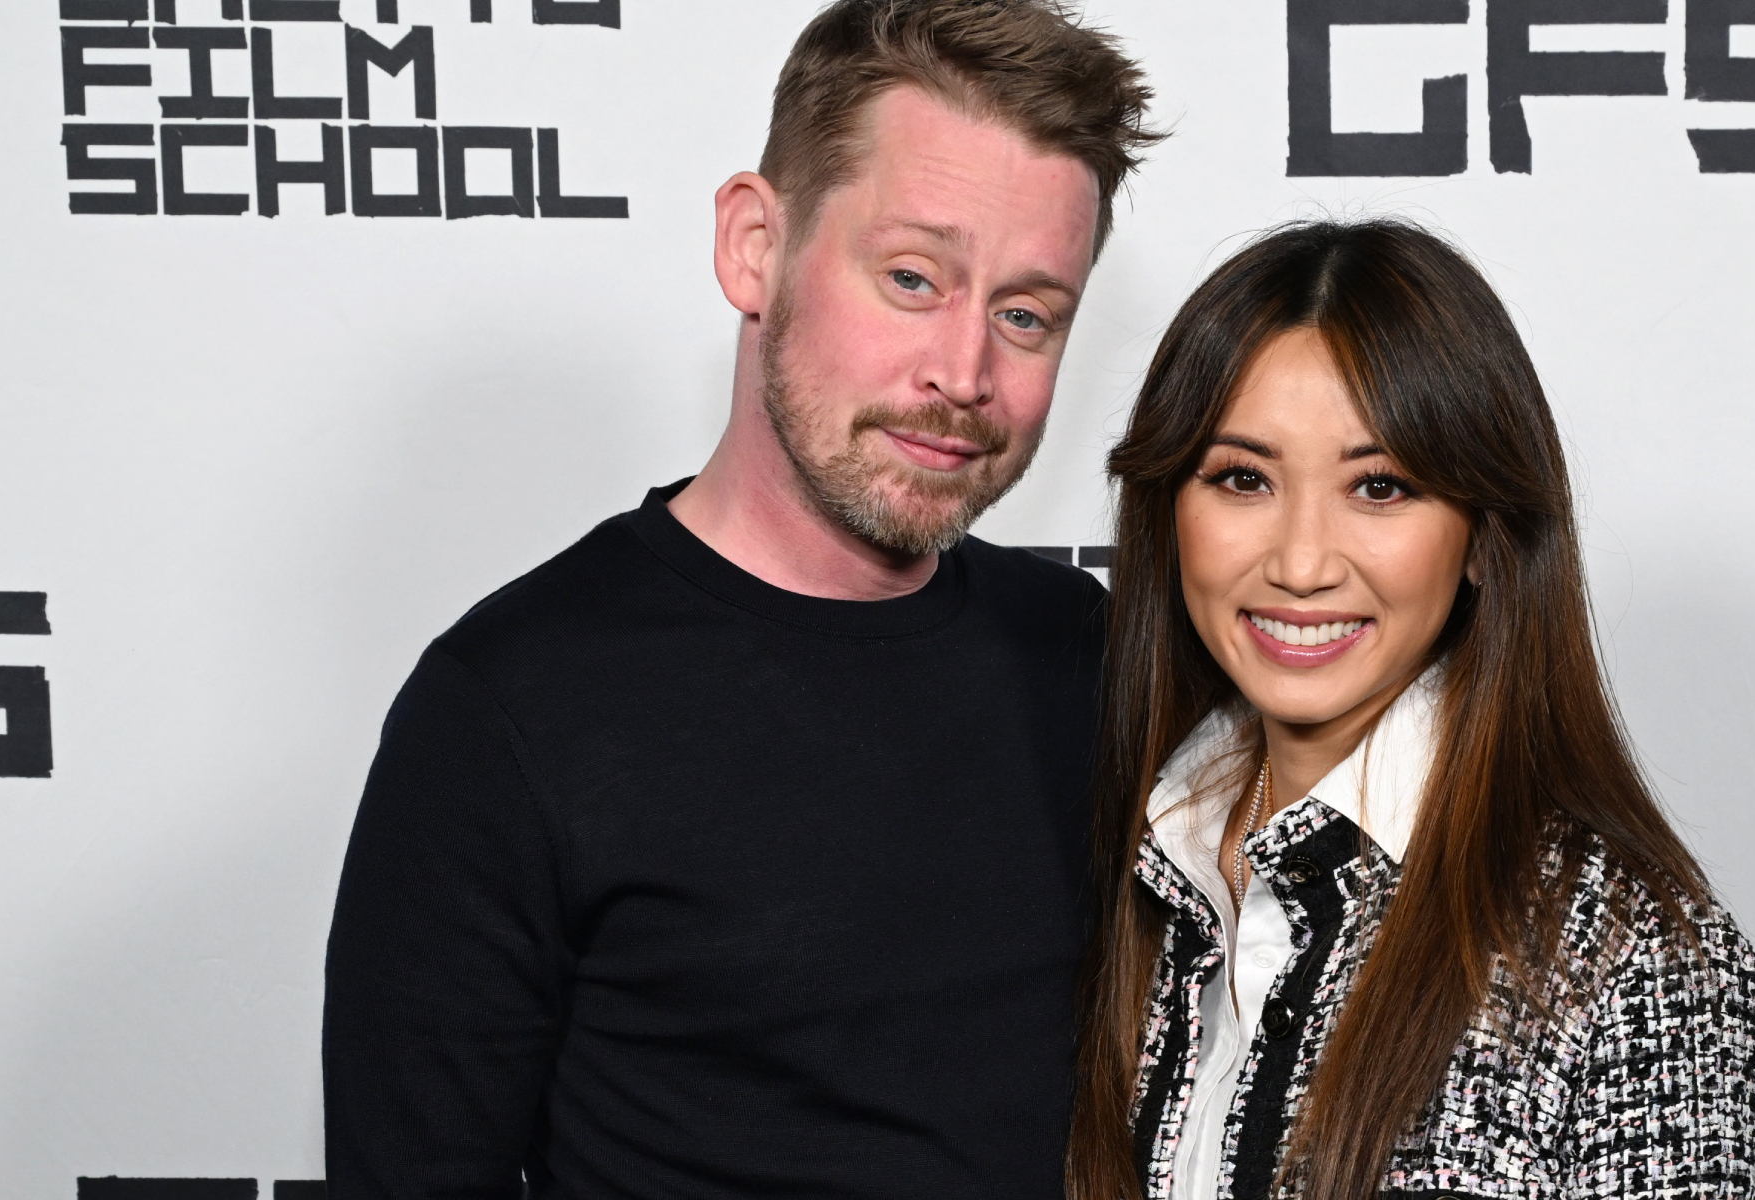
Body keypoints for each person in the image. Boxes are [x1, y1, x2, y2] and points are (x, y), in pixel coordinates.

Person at [321, 3, 1159, 1197]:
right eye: (913, 278)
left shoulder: (1089, 652)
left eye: (1025, 315)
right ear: (753, 246)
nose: (964, 375)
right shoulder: (509, 710)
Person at [1066, 220, 1755, 1200]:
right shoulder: (1115, 863)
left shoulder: (1624, 951)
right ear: (1169, 513)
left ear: (1484, 537)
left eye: (1380, 486)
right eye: (1243, 479)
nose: (1302, 563)